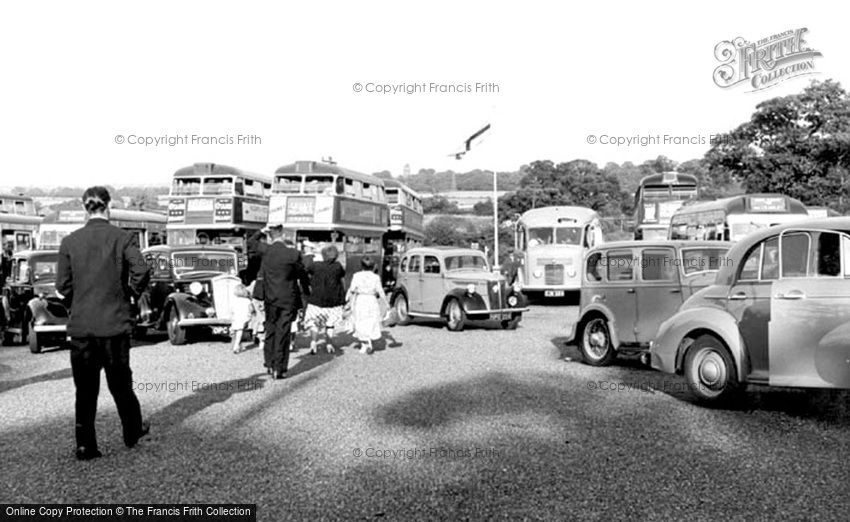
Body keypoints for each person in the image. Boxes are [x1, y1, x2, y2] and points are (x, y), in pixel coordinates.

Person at [55, 186, 151, 461]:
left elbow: (62, 285)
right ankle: (132, 432)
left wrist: (79, 300)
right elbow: (141, 270)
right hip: (114, 324)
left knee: (85, 389)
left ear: (85, 208)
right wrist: (130, 294)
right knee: (121, 383)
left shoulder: (70, 241)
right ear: (108, 206)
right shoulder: (123, 238)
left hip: (82, 327)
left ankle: (85, 445)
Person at [256, 225, 310, 379]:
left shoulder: (266, 251)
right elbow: (302, 275)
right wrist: (307, 292)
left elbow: (252, 243)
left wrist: (261, 230)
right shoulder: (293, 253)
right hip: (288, 298)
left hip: (270, 297)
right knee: (283, 332)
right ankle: (279, 369)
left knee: (270, 329)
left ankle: (269, 363)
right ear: (283, 234)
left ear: (270, 235)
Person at [304, 245, 347, 354]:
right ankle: (329, 344)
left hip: (316, 299)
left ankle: (313, 342)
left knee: (314, 323)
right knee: (330, 323)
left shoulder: (315, 265)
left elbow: (306, 269)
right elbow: (342, 278)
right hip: (333, 300)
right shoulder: (338, 266)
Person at [346, 256, 389, 354]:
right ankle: (368, 340)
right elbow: (380, 291)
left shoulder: (356, 275)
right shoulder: (376, 277)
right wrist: (386, 303)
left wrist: (349, 301)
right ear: (373, 266)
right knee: (371, 321)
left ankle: (365, 344)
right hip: (372, 300)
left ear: (361, 265)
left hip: (361, 300)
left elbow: (352, 289)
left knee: (360, 321)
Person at [230, 283, 255, 354]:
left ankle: (238, 345)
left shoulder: (234, 300)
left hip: (236, 317)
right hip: (244, 317)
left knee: (237, 331)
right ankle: (236, 345)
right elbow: (251, 309)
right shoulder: (247, 300)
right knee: (240, 331)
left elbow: (231, 310)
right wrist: (251, 314)